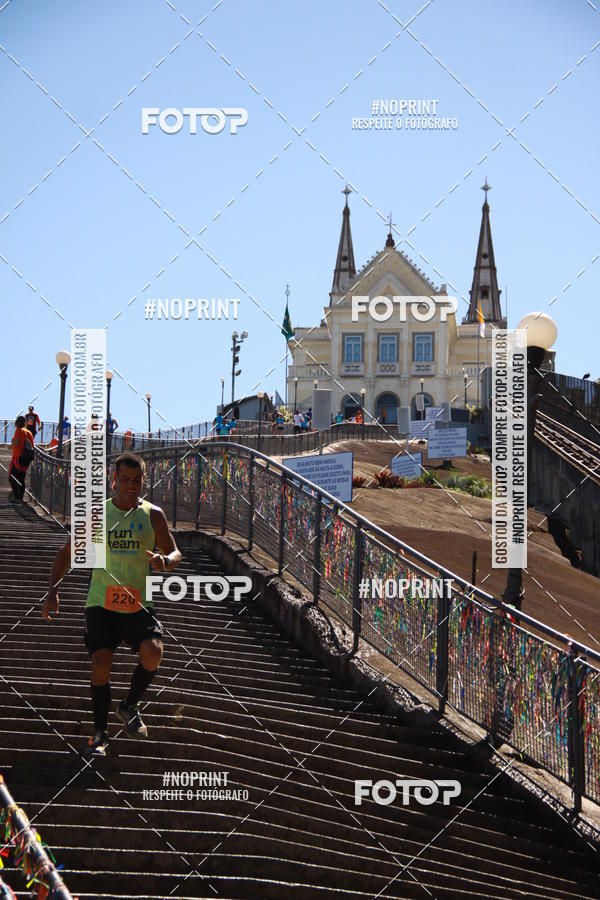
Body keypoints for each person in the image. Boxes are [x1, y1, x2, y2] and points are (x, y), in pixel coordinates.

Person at [43, 452, 182, 756]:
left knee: (153, 653)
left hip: (138, 603)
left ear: (143, 481)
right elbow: (66, 554)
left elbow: (175, 553)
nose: (130, 485)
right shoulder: (97, 514)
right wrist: (52, 591)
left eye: (136, 480)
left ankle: (129, 705)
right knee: (101, 663)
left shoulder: (153, 514)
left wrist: (165, 561)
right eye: (125, 479)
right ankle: (100, 733)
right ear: (114, 480)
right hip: (101, 604)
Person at [9, 416, 34, 501]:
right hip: (27, 459)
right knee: (21, 478)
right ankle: (20, 498)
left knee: (11, 477)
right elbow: (32, 446)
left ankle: (17, 497)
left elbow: (15, 443)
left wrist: (12, 443)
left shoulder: (19, 431)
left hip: (18, 457)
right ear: (25, 422)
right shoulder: (29, 432)